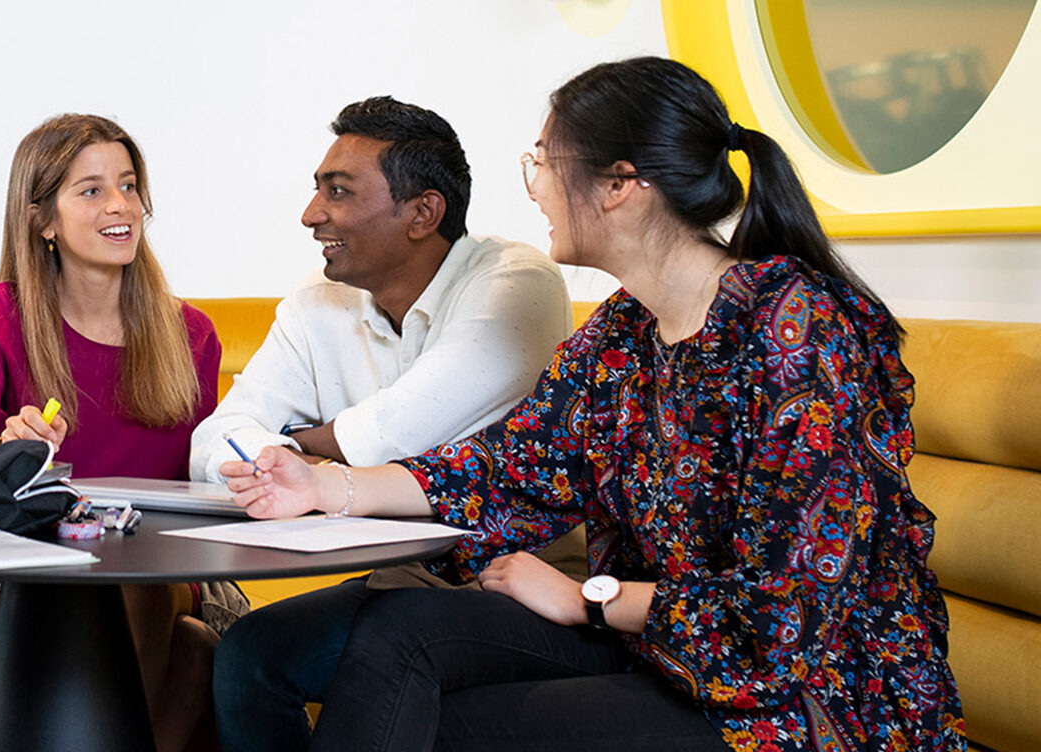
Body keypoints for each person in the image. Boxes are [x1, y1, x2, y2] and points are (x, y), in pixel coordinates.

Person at [219, 57, 966, 751]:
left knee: (456, 727)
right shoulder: (621, 334)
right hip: (662, 646)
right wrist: (323, 484)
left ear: (619, 184)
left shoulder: (796, 332)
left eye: (543, 161)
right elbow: (507, 470)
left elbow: (784, 617)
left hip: (805, 696)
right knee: (397, 633)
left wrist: (592, 600)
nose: (534, 185)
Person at [200, 97, 574, 751]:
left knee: (393, 647)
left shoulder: (519, 283)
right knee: (250, 656)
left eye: (338, 193)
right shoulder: (316, 306)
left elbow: (396, 436)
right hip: (403, 579)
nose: (311, 215)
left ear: (423, 213)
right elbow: (215, 437)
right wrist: (289, 453)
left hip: (529, 586)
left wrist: (310, 448)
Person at [0, 113, 231, 752]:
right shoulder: (2, 316)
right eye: (91, 190)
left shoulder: (193, 333)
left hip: (164, 563)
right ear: (43, 219)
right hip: (40, 560)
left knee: (156, 604)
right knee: (181, 644)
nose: (120, 205)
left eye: (128, 185)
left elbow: (206, 470)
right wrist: (9, 452)